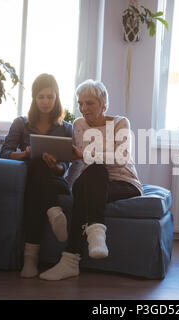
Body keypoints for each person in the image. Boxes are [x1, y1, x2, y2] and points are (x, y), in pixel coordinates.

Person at [39, 79, 143, 281]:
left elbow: (121, 158)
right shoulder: (79, 124)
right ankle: (94, 235)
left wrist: (85, 155)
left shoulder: (121, 123)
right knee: (89, 178)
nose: (83, 108)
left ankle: (71, 259)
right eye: (80, 103)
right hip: (92, 180)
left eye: (89, 103)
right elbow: (78, 163)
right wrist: (69, 187)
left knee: (95, 170)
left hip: (124, 182)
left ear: (103, 105)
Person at [0, 73, 72, 278]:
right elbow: (3, 154)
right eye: (41, 96)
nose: (46, 101)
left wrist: (55, 165)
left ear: (56, 97)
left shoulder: (66, 128)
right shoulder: (21, 124)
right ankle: (53, 210)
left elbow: (65, 167)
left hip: (55, 181)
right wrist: (26, 154)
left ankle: (30, 260)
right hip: (28, 180)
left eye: (50, 96)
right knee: (35, 166)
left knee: (38, 172)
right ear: (34, 98)